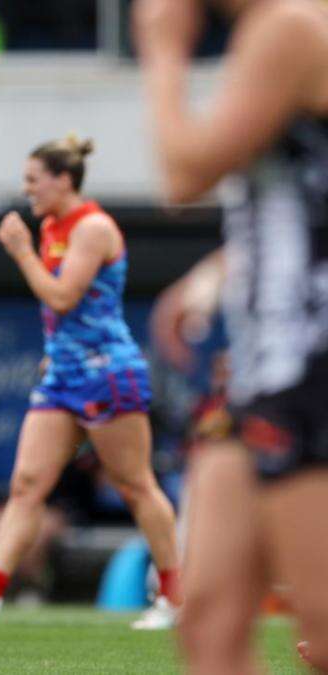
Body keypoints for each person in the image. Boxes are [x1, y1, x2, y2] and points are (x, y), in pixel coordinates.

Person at [135, 0, 328, 668]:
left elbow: (185, 173)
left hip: (309, 363)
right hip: (263, 365)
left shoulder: (292, 29)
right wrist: (217, 271)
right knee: (211, 618)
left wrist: (162, 51)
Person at [0, 136, 181, 627]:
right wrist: (54, 353)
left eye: (34, 181)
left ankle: (176, 597)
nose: (28, 191)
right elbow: (61, 314)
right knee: (26, 485)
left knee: (134, 484)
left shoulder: (94, 227)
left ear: (64, 180)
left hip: (107, 372)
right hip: (63, 373)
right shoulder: (52, 226)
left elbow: (61, 296)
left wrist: (21, 252)